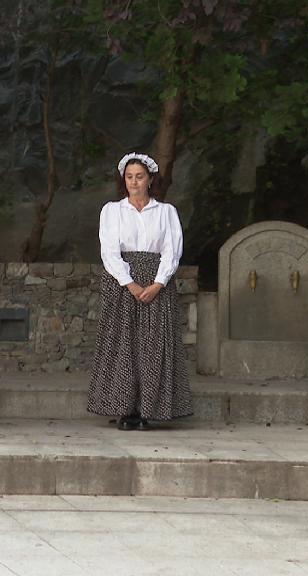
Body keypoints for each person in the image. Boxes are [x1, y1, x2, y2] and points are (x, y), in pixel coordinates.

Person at [88, 152, 192, 431]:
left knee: (154, 345)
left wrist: (158, 283)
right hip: (122, 282)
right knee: (123, 344)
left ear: (149, 180)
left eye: (139, 177)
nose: (134, 182)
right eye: (129, 177)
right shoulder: (112, 210)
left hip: (157, 281)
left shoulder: (165, 212)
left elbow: (172, 249)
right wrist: (130, 283)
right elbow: (109, 251)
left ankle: (149, 409)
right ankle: (124, 408)